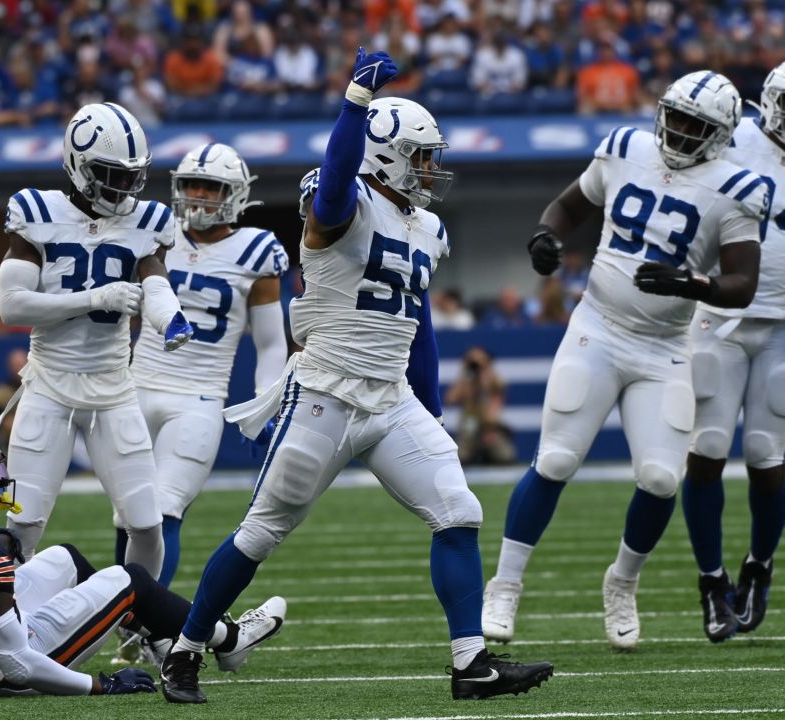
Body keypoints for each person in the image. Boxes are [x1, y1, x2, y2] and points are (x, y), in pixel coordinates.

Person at [156, 48, 554, 704]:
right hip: (325, 392)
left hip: (389, 396)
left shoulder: (426, 226)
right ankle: (187, 650)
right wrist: (353, 102)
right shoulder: (342, 205)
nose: (431, 168)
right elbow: (339, 175)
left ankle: (470, 664)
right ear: (388, 153)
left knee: (458, 510)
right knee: (260, 532)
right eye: (421, 155)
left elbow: (416, 324)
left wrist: (428, 406)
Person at [481, 70, 768, 651]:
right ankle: (505, 584)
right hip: (596, 328)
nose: (679, 130)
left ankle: (622, 583)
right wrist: (544, 237)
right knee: (556, 459)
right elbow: (567, 206)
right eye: (676, 115)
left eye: (695, 125)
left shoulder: (737, 186)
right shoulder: (623, 146)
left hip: (665, 347)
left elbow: (742, 285)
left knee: (662, 479)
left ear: (720, 135)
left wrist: (692, 283)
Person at [0, 426, 286, 699]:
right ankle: (227, 640)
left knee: (66, 557)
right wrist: (97, 685)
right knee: (131, 580)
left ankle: (160, 637)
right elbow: (19, 663)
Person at [679, 57, 785, 642]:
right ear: (772, 99)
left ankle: (759, 565)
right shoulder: (731, 139)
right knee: (708, 447)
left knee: (766, 457)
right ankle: (710, 579)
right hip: (718, 316)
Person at [0, 102, 195, 578]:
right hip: (49, 384)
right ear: (78, 166)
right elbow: (12, 307)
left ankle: (140, 627)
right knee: (23, 525)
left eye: (132, 176)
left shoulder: (147, 220)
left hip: (112, 388)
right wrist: (93, 297)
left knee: (145, 524)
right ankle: (7, 630)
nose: (125, 188)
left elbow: (154, 280)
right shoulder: (36, 211)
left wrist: (171, 319)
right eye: (112, 175)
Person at [116, 142, 289, 594]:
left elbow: (271, 345)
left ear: (233, 194)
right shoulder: (156, 232)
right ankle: (128, 615)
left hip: (198, 397)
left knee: (164, 508)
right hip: (132, 390)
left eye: (209, 187)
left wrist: (264, 407)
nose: (196, 194)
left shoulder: (257, 250)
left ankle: (141, 625)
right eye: (190, 184)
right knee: (128, 513)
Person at [446, 346, 515, 465]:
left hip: (490, 429)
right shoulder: (465, 382)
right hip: (468, 430)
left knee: (504, 456)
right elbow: (450, 400)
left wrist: (485, 376)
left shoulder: (494, 382)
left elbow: (492, 414)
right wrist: (465, 376)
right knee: (461, 456)